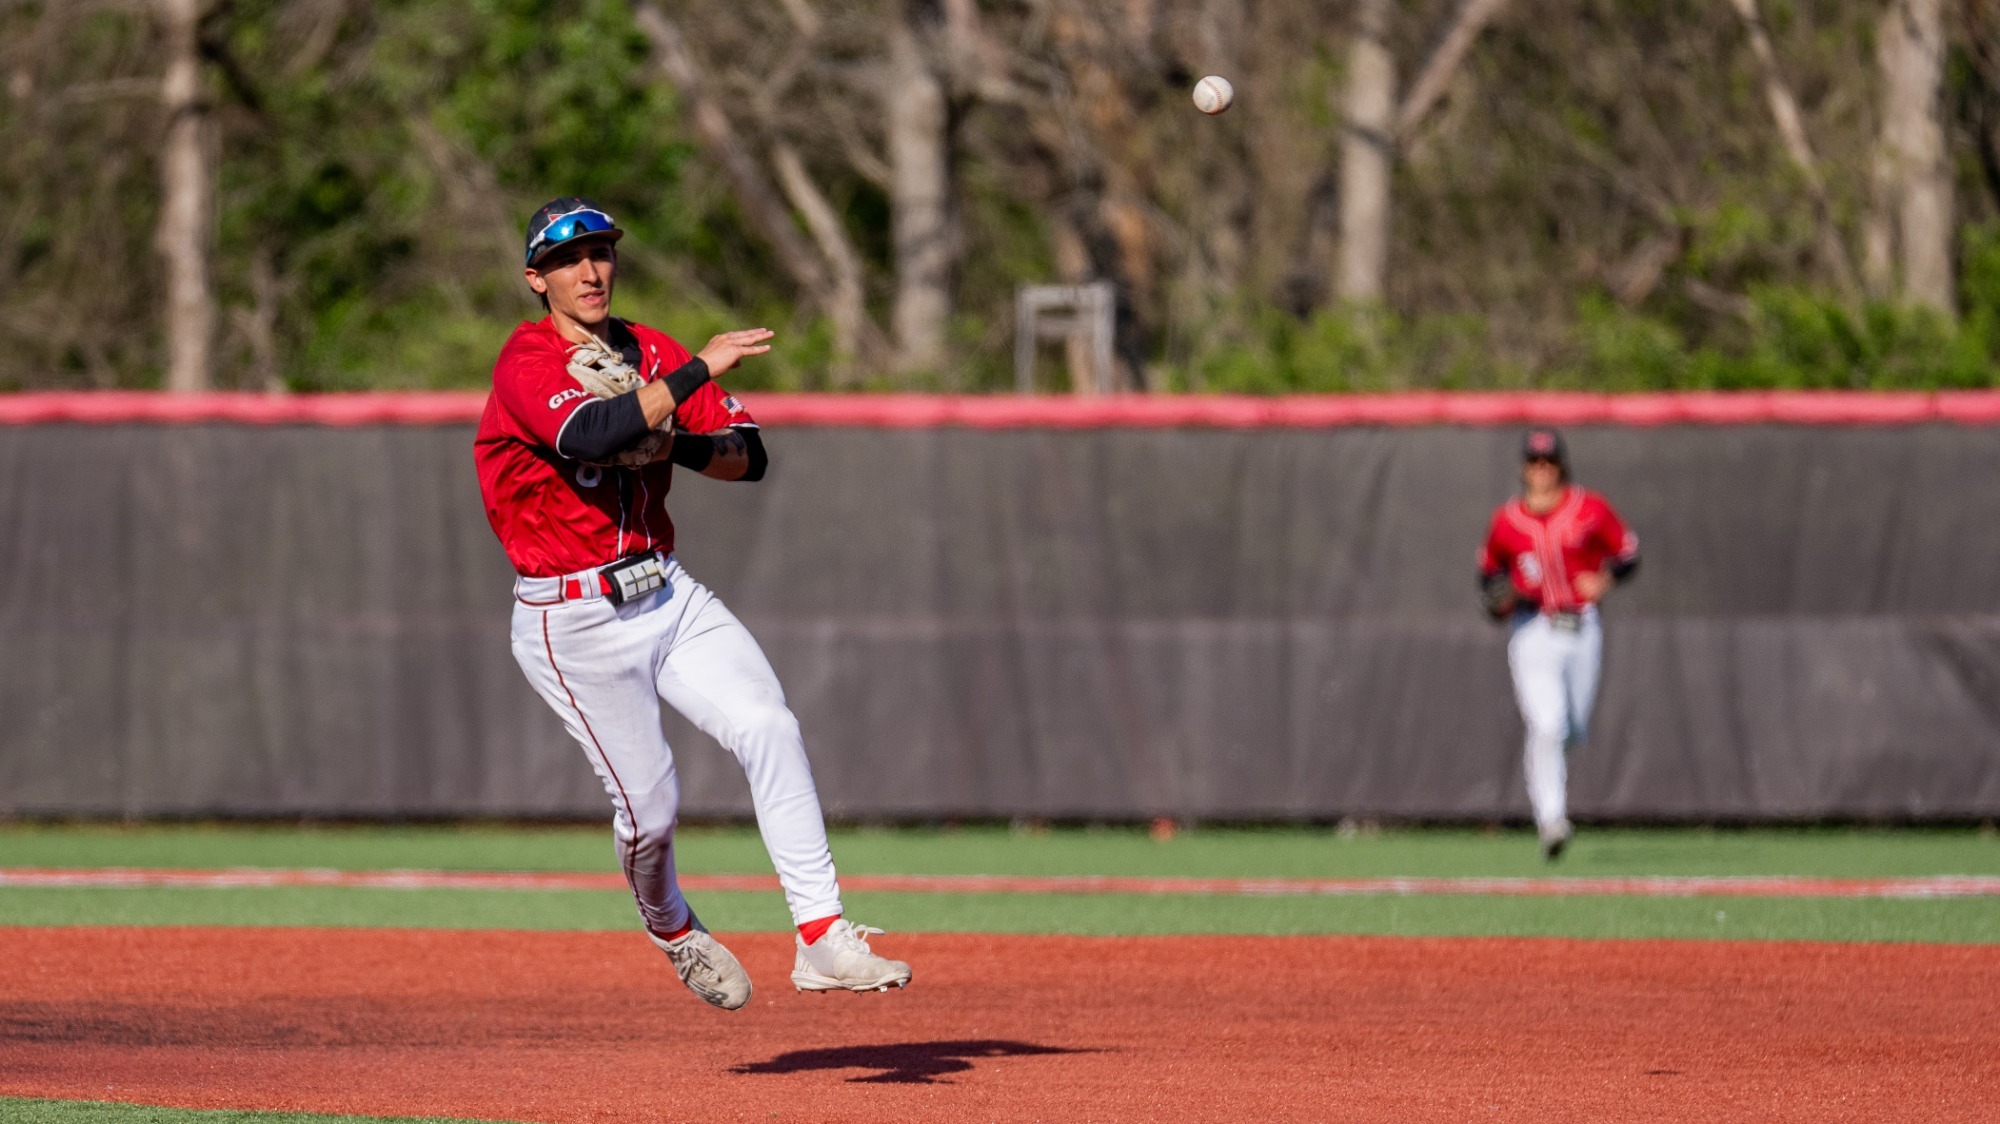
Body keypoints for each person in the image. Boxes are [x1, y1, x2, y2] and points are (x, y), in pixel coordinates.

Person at [473, 197, 911, 1009]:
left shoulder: (645, 347)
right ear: (537, 279)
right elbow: (593, 437)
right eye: (568, 260)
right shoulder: (526, 362)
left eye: (601, 252)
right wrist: (694, 373)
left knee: (769, 724)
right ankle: (673, 926)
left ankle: (821, 936)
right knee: (653, 812)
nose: (591, 270)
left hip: (666, 591)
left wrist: (672, 434)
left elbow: (750, 459)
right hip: (571, 619)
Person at [1476, 428, 1639, 860]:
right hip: (1532, 628)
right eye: (1534, 462)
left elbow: (1627, 552)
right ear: (1523, 467)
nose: (1541, 470)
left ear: (1561, 465)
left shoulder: (1590, 509)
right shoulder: (1507, 521)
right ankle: (1551, 819)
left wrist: (1605, 578)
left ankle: (1550, 793)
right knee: (1547, 725)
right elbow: (1489, 577)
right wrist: (1500, 596)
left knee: (1572, 729)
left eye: (1548, 462)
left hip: (1581, 625)